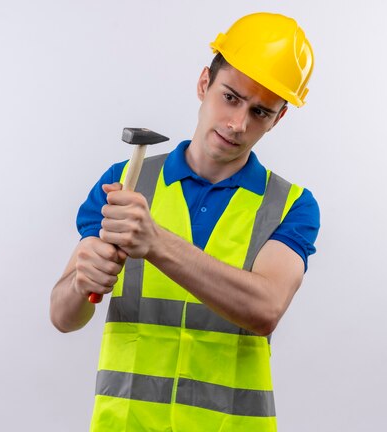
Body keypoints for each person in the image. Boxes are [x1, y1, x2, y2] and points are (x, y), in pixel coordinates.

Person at [50, 12, 320, 432]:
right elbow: (63, 317)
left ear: (279, 118)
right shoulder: (125, 182)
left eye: (261, 112)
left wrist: (155, 241)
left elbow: (265, 308)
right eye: (230, 97)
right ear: (203, 84)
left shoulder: (290, 206)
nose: (238, 124)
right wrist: (82, 280)